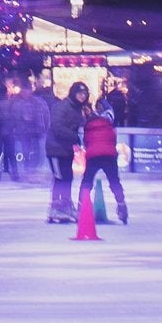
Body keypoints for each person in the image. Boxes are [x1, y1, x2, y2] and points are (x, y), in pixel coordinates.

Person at [79, 93, 130, 224]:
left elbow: (86, 142)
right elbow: (113, 140)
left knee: (87, 181)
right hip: (109, 155)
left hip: (93, 155)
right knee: (114, 181)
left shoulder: (88, 125)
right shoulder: (109, 124)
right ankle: (121, 205)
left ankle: (81, 205)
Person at [45, 82, 88, 223]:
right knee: (60, 178)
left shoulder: (77, 108)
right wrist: (74, 137)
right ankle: (55, 207)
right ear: (73, 93)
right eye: (80, 93)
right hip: (55, 148)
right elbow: (57, 126)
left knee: (68, 177)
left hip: (66, 149)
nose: (82, 96)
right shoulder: (63, 106)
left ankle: (66, 205)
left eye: (84, 94)